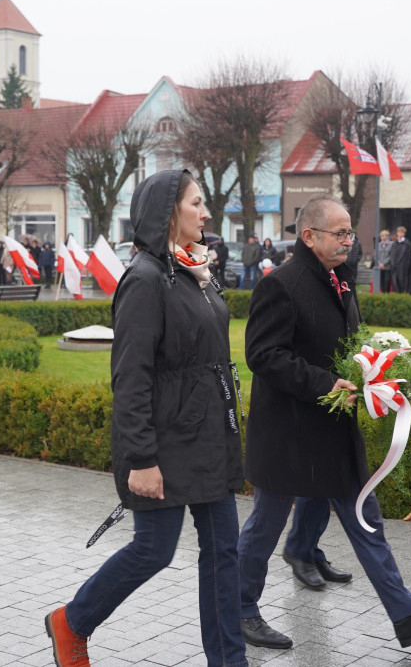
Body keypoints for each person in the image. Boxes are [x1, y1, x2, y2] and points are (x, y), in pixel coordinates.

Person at [236, 195, 411, 651]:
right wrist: (325, 382)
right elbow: (262, 356)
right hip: (287, 432)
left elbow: (343, 342)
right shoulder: (279, 284)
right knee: (264, 525)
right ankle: (240, 610)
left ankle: (407, 615)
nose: (350, 241)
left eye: (350, 232)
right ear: (310, 236)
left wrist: (377, 368)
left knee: (366, 517)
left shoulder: (340, 278)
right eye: (340, 233)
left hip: (332, 428)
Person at [45, 170, 247, 667]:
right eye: (196, 204)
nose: (205, 213)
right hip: (164, 441)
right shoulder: (145, 279)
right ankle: (72, 622)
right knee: (155, 550)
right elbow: (130, 377)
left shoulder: (194, 271)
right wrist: (141, 459)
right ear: (167, 213)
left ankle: (229, 661)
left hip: (209, 437)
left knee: (224, 552)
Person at [389, 226, 411, 293]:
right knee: (395, 281)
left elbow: (408, 256)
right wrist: (393, 263)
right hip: (394, 265)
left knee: (402, 281)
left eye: (402, 233)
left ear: (404, 234)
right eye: (399, 232)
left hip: (402, 265)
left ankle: (402, 293)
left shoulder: (407, 243)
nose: (400, 234)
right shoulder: (394, 243)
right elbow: (392, 254)